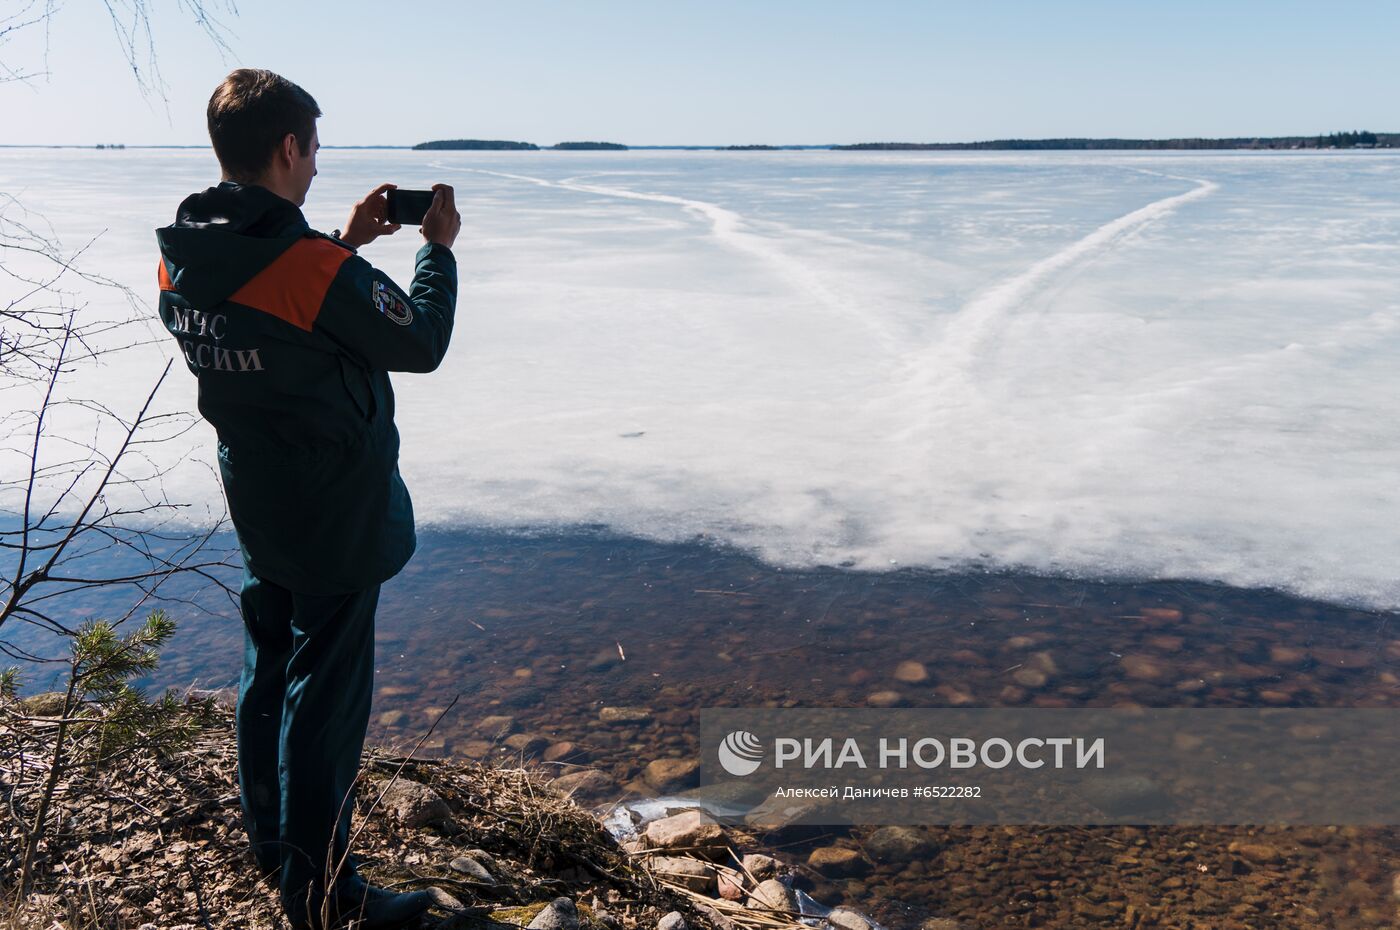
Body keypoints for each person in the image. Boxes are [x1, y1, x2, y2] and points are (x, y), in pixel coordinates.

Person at [154, 68, 461, 929]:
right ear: (288, 147)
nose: (320, 164)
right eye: (315, 148)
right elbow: (420, 340)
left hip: (258, 491)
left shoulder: (185, 253)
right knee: (323, 702)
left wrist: (342, 244)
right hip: (331, 509)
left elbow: (275, 309)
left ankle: (274, 846)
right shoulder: (304, 264)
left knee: (269, 669)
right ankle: (324, 893)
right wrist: (434, 249)